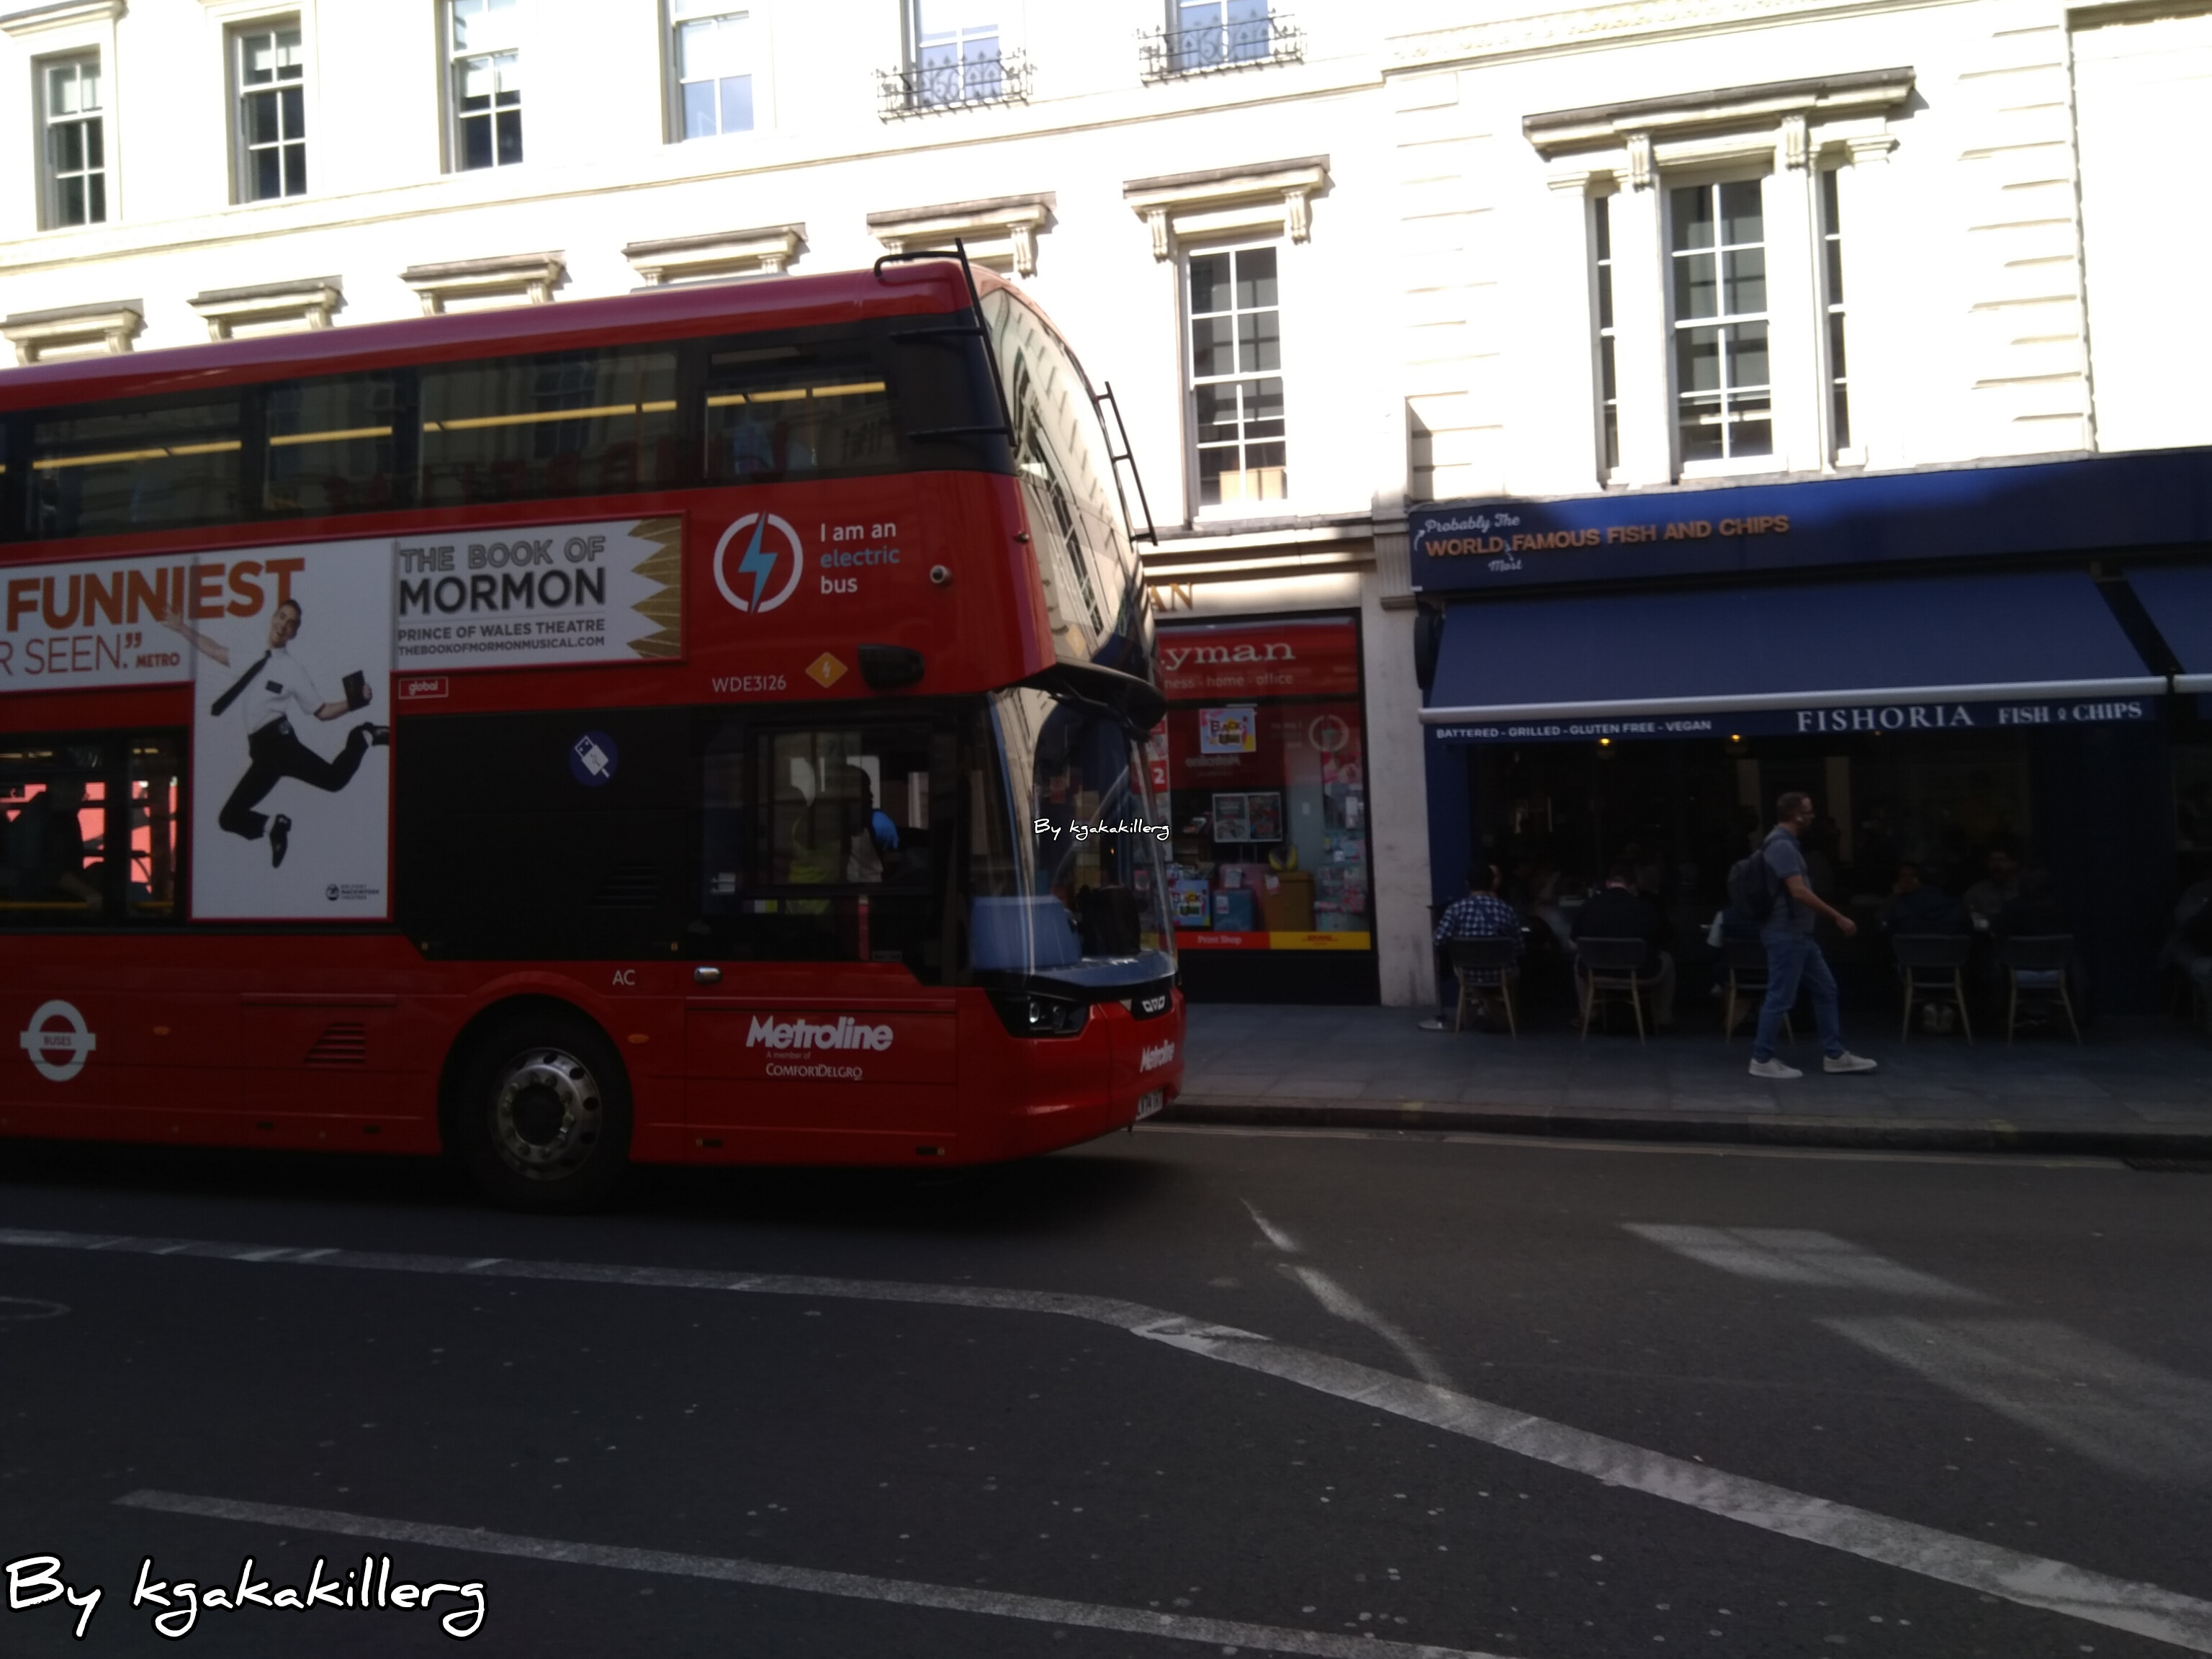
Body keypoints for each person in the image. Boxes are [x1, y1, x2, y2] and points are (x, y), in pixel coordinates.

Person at [163, 597, 387, 869]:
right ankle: (273, 826)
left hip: (280, 743)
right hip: (261, 751)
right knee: (229, 818)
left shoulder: (292, 670)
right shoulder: (249, 658)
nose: (283, 625)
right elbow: (215, 651)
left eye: (290, 623)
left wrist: (353, 702)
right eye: (281, 617)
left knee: (334, 780)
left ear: (294, 633)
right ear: (273, 618)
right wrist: (181, 628)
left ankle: (363, 736)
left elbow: (321, 711)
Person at [1750, 791, 1878, 1079]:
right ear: (1796, 815)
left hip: (1799, 936)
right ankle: (1761, 1058)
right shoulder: (1781, 845)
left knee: (1826, 989)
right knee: (1780, 997)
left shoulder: (1786, 844)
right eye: (1808, 811)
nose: (1812, 816)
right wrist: (1837, 916)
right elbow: (1798, 891)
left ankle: (1834, 1055)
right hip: (1787, 934)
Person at [1571, 858, 1676, 1029]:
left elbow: (1574, 941)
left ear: (1608, 883)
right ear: (1633, 885)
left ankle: (1588, 1014)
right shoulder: (1646, 908)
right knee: (1667, 959)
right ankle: (1663, 1018)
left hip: (1597, 974)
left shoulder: (1588, 906)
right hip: (1639, 973)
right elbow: (1662, 939)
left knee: (1579, 961)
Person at [1419, 863, 1522, 1031]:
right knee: (1513, 973)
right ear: (1492, 883)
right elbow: (1518, 948)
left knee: (1466, 973)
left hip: (1467, 973)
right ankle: (1495, 1012)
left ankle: (1483, 1007)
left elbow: (1438, 940)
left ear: (1467, 883)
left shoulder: (1456, 909)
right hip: (1502, 973)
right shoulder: (1506, 909)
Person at [1880, 863, 1966, 935]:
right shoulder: (1897, 904)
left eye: (1913, 876)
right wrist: (1893, 897)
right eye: (1903, 876)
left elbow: (1883, 926)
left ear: (1920, 879)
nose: (1907, 880)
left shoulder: (1900, 908)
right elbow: (1882, 924)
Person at [1962, 845, 2022, 928]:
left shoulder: (2024, 889)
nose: (1996, 864)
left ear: (2013, 864)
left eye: (2001, 860)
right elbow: (1973, 922)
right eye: (1992, 860)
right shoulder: (1975, 893)